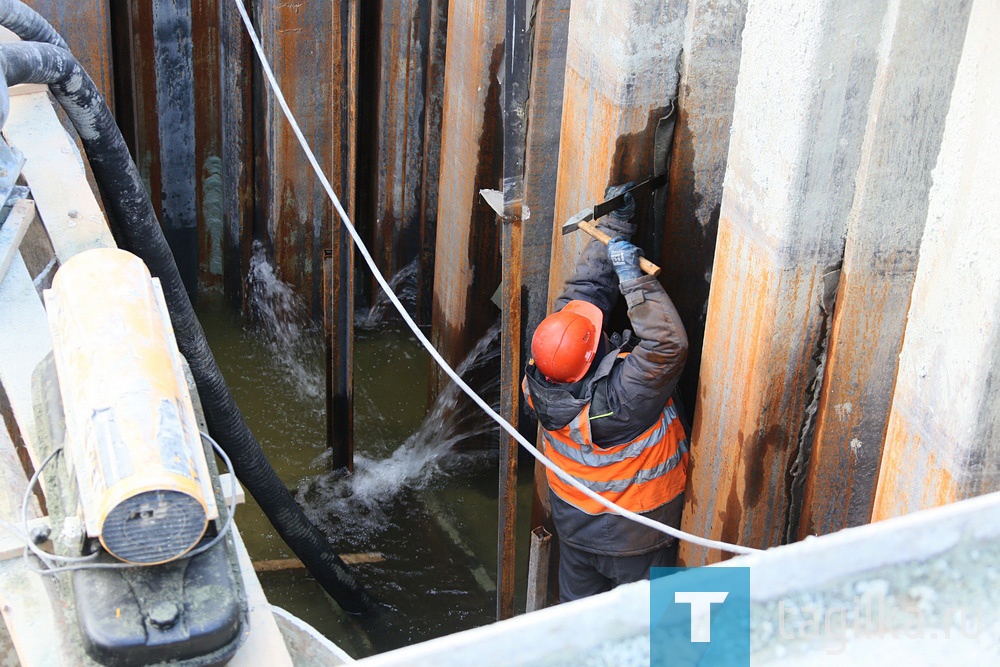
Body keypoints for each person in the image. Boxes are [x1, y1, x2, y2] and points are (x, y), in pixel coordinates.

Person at [521, 183, 689, 603]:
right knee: (658, 633)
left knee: (580, 624)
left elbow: (582, 296)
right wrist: (635, 282)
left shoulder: (540, 370)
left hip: (575, 527)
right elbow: (667, 346)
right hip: (636, 534)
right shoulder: (613, 405)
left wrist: (616, 225)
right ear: (593, 355)